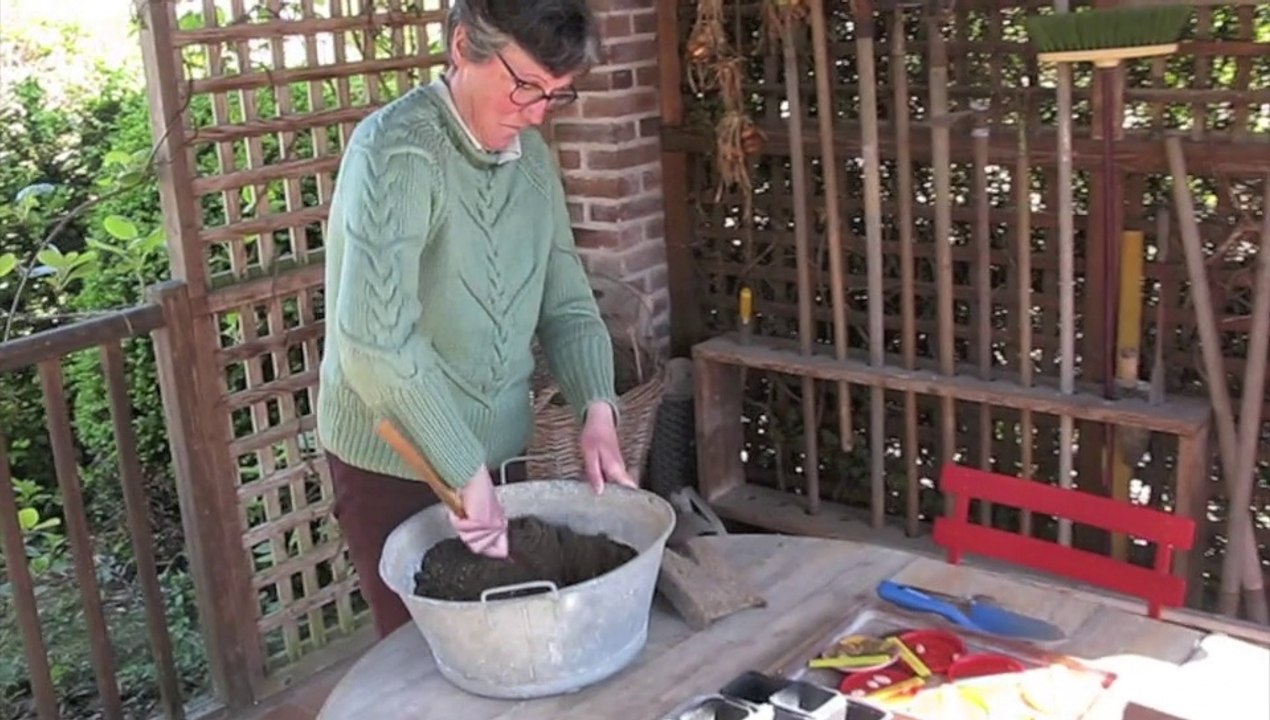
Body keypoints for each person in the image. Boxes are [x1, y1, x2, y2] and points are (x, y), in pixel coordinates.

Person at [316, 0, 636, 638]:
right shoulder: (399, 152)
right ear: (463, 47)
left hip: (497, 456)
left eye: (556, 94)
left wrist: (596, 407)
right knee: (425, 662)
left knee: (510, 646)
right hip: (395, 461)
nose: (536, 112)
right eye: (524, 85)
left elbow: (568, 303)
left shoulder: (534, 162)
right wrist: (463, 467)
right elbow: (375, 344)